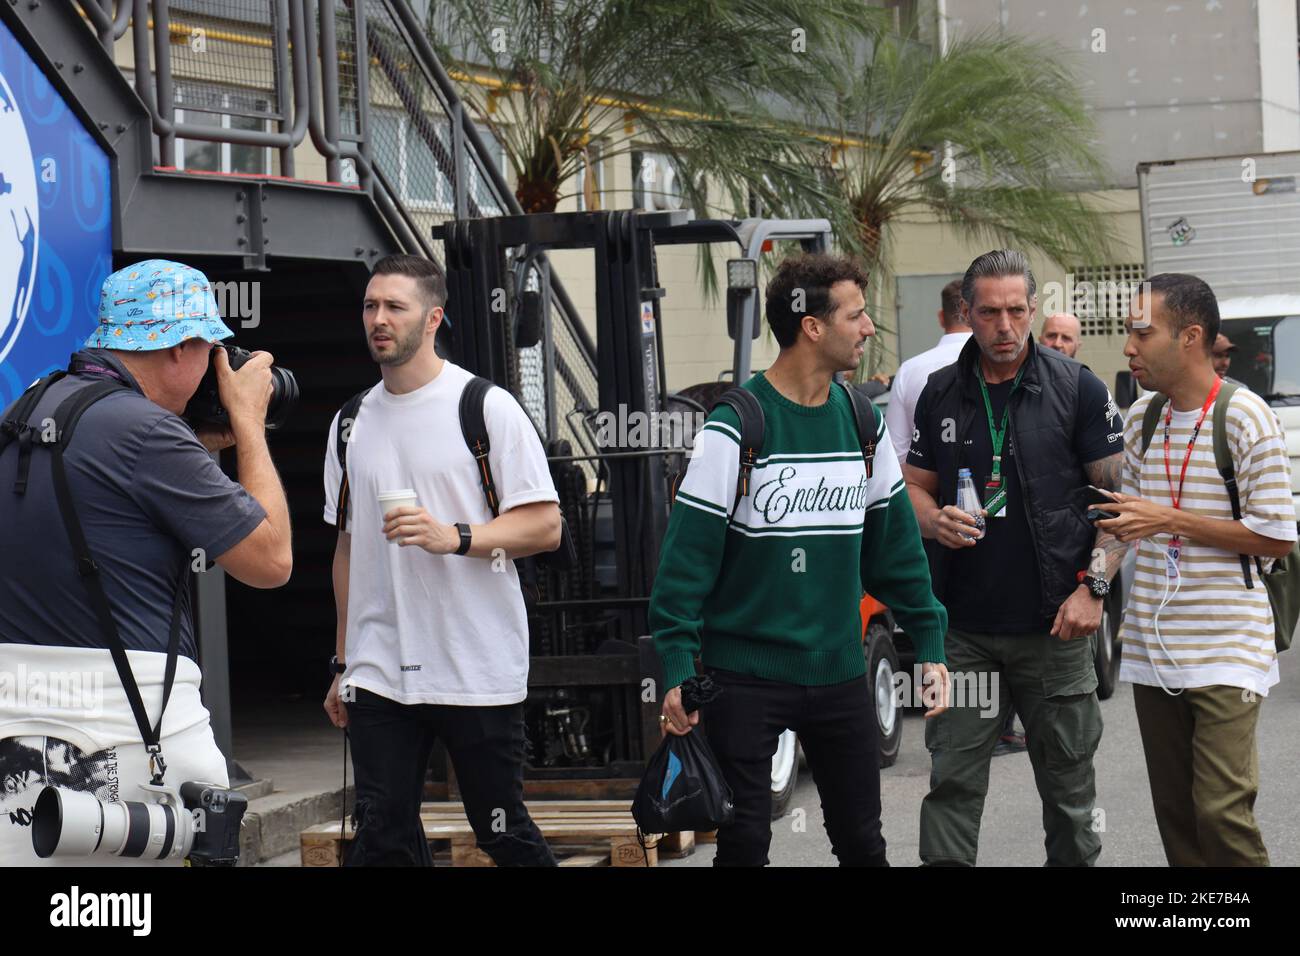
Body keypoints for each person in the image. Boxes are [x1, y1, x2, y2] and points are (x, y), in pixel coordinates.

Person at [650, 252, 951, 867]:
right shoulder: (734, 428)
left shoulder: (864, 423)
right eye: (857, 314)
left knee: (864, 844)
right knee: (743, 847)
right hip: (744, 681)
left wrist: (932, 642)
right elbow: (685, 561)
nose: (869, 328)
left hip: (840, 673)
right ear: (812, 326)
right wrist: (679, 664)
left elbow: (895, 552)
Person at [0, 259, 292, 866]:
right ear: (182, 348)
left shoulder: (31, 406)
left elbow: (103, 495)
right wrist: (250, 426)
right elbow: (271, 561)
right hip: (130, 736)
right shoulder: (150, 435)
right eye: (211, 352)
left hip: (18, 735)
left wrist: (192, 444)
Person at [322, 254, 563, 866]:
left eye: (394, 307)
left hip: (475, 665)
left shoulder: (485, 408)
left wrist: (453, 536)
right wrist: (344, 661)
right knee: (383, 838)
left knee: (501, 832)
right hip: (380, 672)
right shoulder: (350, 423)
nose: (378, 319)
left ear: (432, 318)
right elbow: (348, 546)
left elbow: (545, 526)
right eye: (371, 306)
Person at [905, 249, 1126, 867]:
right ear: (967, 314)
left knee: (1068, 791)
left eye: (1016, 311)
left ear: (1033, 309)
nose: (1004, 327)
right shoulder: (940, 392)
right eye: (990, 313)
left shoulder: (1077, 387)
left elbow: (1121, 508)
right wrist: (932, 516)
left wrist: (1094, 591)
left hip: (1054, 627)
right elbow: (914, 486)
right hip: (963, 633)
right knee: (951, 782)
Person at [1100, 273, 1295, 866]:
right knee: (1177, 813)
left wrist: (1168, 519)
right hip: (1155, 650)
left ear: (1190, 337)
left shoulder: (1245, 417)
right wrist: (1091, 584)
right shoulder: (1141, 420)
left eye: (1141, 332)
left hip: (1229, 646)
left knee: (1220, 809)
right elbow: (1123, 525)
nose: (1128, 346)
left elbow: (1276, 538)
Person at [884, 278, 971, 464]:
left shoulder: (909, 371)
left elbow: (896, 456)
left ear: (941, 317)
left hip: (925, 488)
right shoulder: (1001, 363)